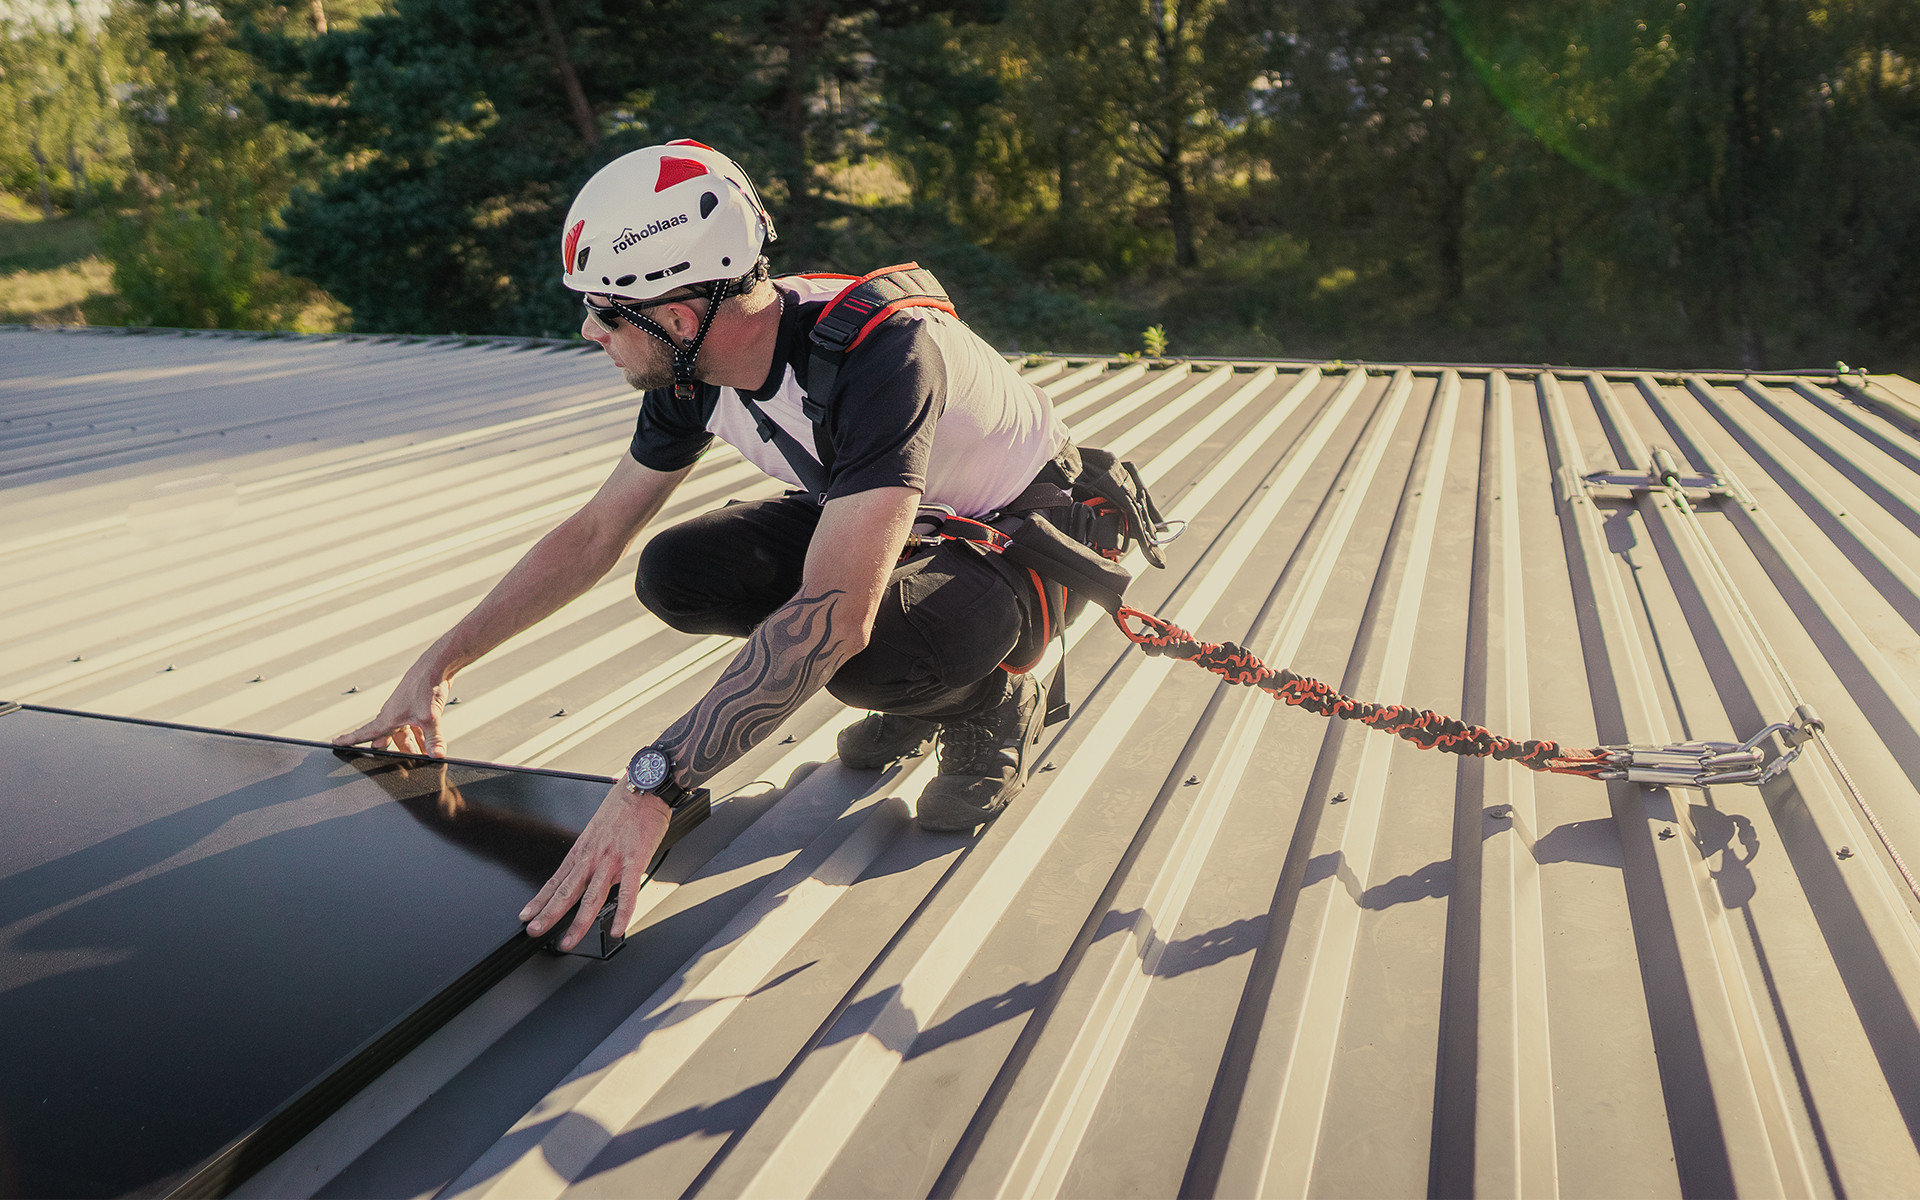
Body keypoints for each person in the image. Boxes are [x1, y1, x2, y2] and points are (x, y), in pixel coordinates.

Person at [334, 140, 1075, 951]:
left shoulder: (882, 355)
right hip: (904, 520)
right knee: (677, 572)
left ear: (678, 318)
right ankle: (917, 692)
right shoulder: (693, 370)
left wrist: (651, 784)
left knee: (858, 654)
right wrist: (437, 665)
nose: (589, 331)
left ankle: (991, 697)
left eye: (604, 312)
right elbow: (595, 532)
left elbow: (834, 618)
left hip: (1022, 537)